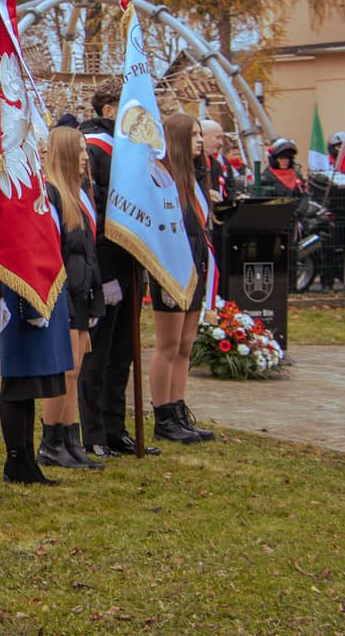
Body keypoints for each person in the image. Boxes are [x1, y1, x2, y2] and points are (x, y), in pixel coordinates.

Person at [78, 81, 158, 458]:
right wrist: (103, 271)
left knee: (122, 352)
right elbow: (92, 212)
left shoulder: (128, 149)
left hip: (128, 262)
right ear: (109, 110)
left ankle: (115, 427)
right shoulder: (93, 148)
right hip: (105, 265)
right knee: (99, 353)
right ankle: (92, 431)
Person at [33, 126, 106, 472]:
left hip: (82, 292)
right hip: (63, 293)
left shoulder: (81, 194)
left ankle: (70, 439)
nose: (84, 156)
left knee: (75, 369)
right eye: (78, 149)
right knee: (63, 371)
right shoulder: (52, 193)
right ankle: (52, 441)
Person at [149, 113, 216, 445]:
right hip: (172, 268)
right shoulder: (163, 179)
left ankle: (178, 408)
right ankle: (163, 414)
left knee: (186, 345)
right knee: (168, 345)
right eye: (194, 135)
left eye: (201, 134)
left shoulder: (194, 177)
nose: (201, 140)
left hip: (195, 265)